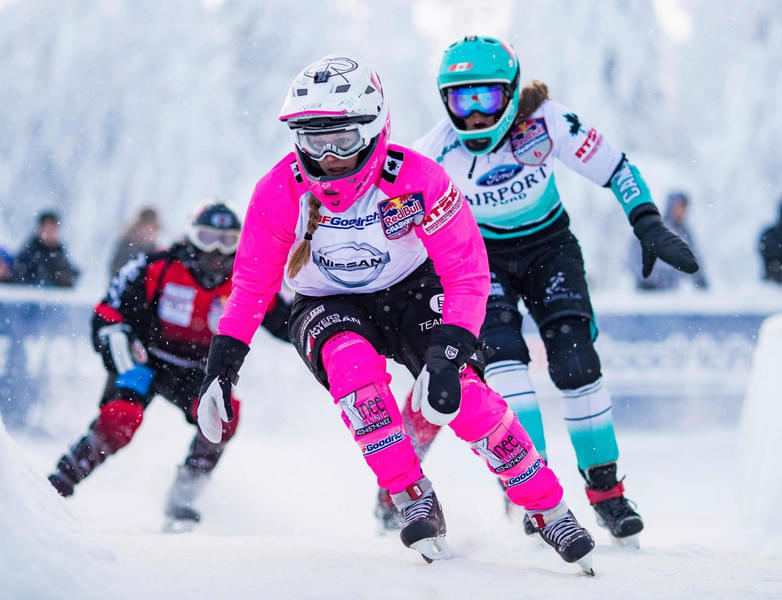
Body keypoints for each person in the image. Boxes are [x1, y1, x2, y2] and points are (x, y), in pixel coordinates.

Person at [195, 54, 596, 574]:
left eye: (343, 139)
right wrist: (220, 369)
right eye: (315, 141)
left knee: (465, 398)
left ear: (375, 126)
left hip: (412, 292)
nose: (331, 157)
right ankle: (410, 493)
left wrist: (450, 354)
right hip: (325, 303)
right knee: (355, 377)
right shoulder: (277, 192)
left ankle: (548, 508)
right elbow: (251, 286)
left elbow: (467, 273)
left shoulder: (418, 179)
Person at [398, 35, 700, 546]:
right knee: (506, 371)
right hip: (479, 263)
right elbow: (388, 222)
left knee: (577, 365)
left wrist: (647, 221)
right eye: (459, 99)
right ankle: (532, 497)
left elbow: (617, 168)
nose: (472, 116)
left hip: (549, 250)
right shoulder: (433, 152)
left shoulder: (548, 122)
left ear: (512, 94)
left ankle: (607, 491)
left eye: (485, 99)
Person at [47, 201, 291, 531]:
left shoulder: (247, 278)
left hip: (199, 371)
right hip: (146, 362)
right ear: (191, 236)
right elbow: (108, 312)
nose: (217, 251)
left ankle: (184, 494)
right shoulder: (155, 266)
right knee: (121, 417)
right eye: (207, 238)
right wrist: (115, 339)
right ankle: (57, 486)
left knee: (222, 416)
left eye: (228, 240)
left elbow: (287, 322)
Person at [629, 191, 708, 290]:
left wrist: (701, 283)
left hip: (670, 292)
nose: (682, 211)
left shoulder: (685, 232)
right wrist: (648, 278)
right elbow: (633, 256)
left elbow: (693, 260)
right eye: (679, 207)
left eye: (684, 208)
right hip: (647, 291)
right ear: (671, 206)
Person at [12, 211, 80, 287]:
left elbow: (69, 277)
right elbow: (20, 278)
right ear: (40, 230)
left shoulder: (59, 252)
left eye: (54, 230)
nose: (52, 234)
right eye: (49, 230)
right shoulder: (29, 253)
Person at [109, 206, 162, 277]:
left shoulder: (157, 252)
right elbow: (117, 272)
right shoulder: (127, 247)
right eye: (147, 227)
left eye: (153, 228)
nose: (148, 232)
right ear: (139, 227)